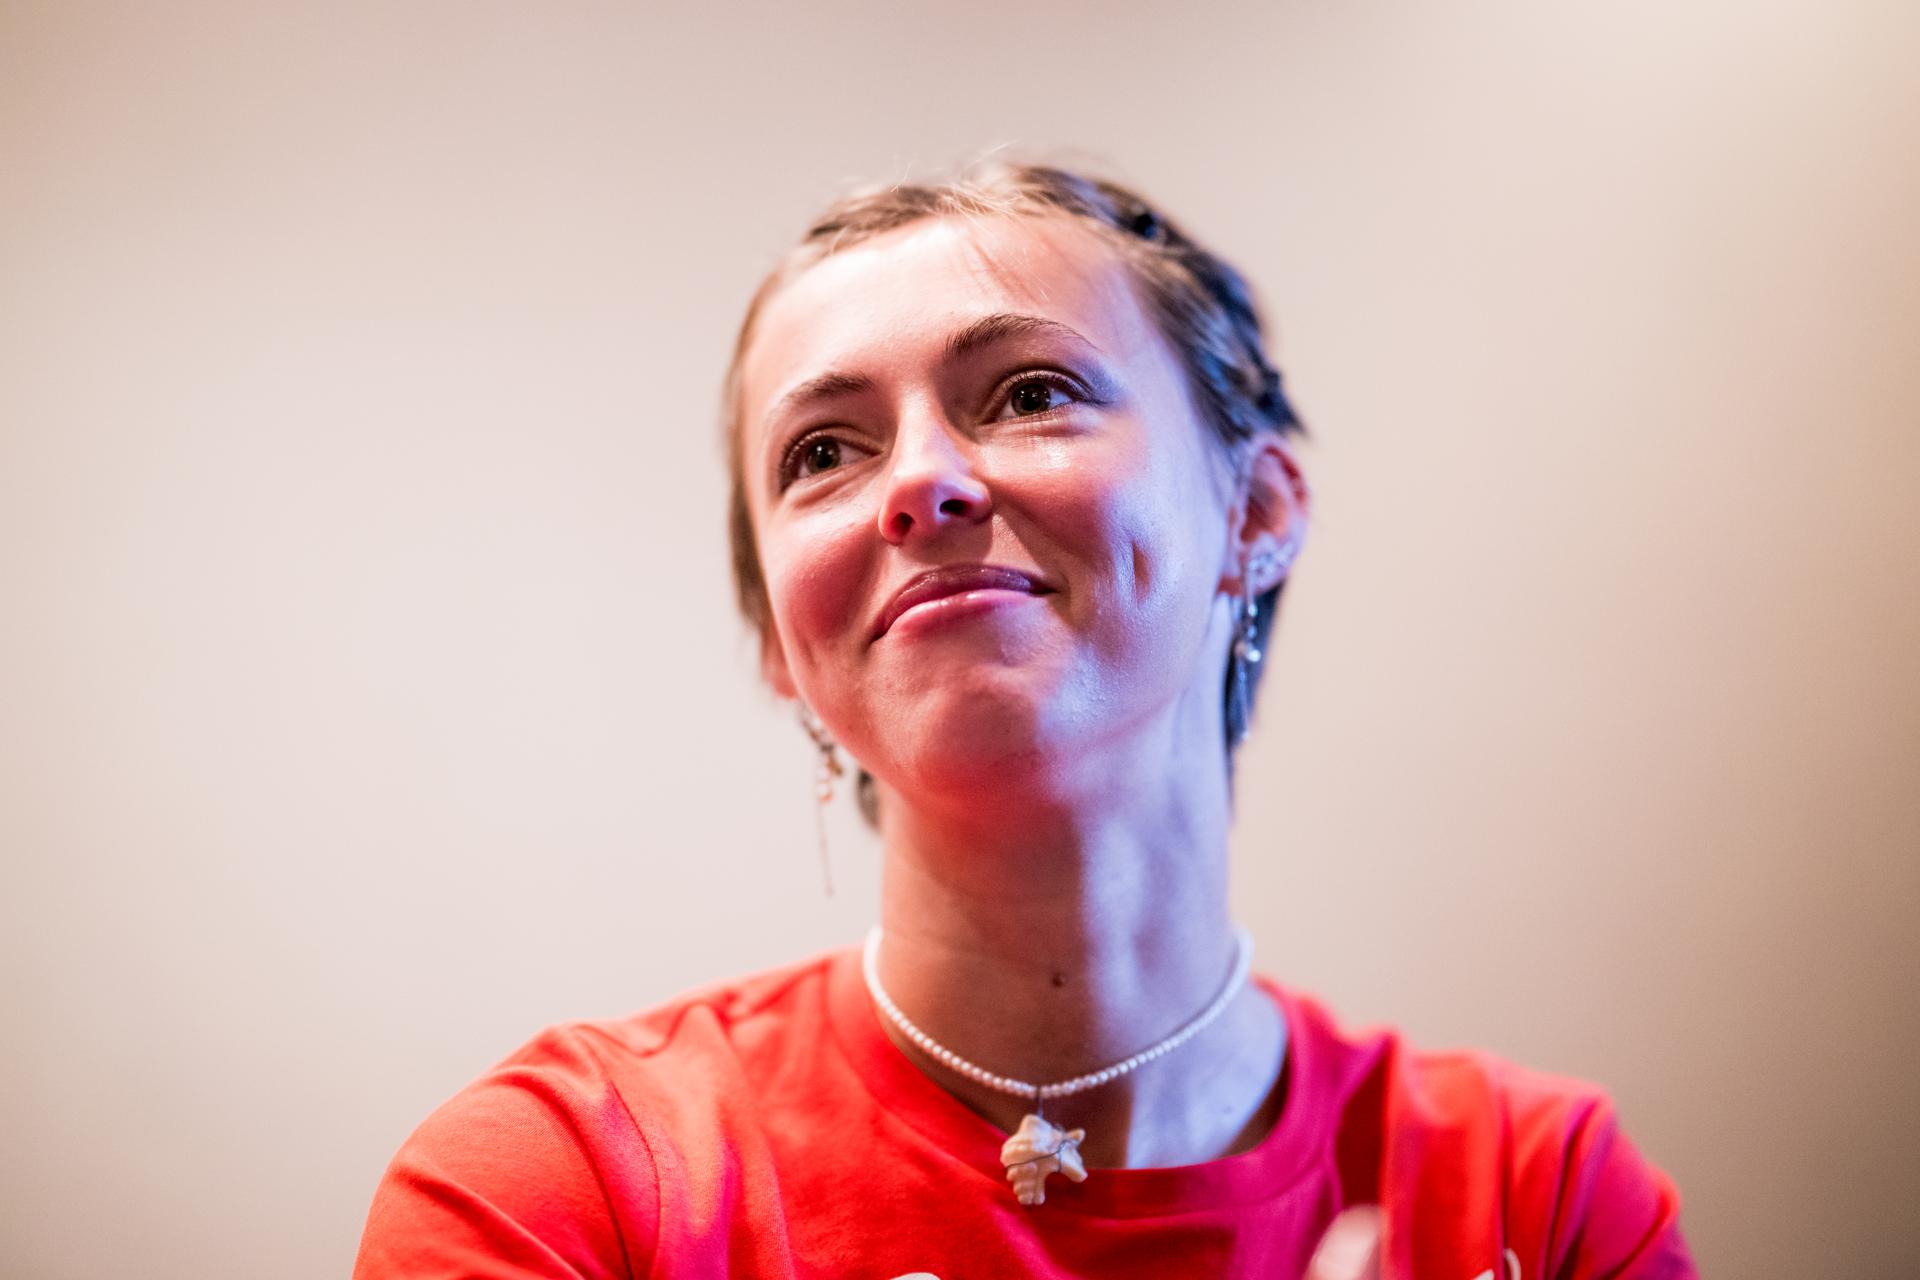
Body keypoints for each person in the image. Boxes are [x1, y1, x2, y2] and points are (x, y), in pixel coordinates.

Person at [352, 160, 1696, 1279]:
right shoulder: (567, 1187)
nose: (923, 485)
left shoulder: (1541, 1199)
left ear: (1258, 510)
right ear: (777, 637)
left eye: (1031, 392)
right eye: (825, 451)